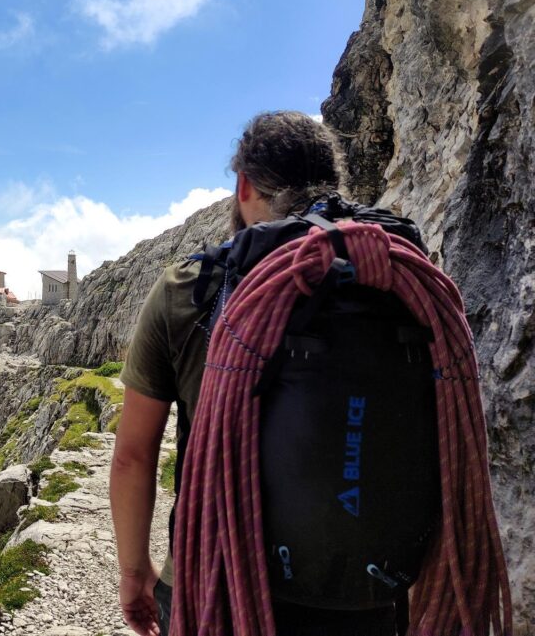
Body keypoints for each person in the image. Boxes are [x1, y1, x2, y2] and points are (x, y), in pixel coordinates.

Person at [109, 111, 398, 636]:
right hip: (368, 583)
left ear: (243, 184)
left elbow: (132, 456)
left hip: (213, 581)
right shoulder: (396, 278)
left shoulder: (190, 289)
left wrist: (134, 572)